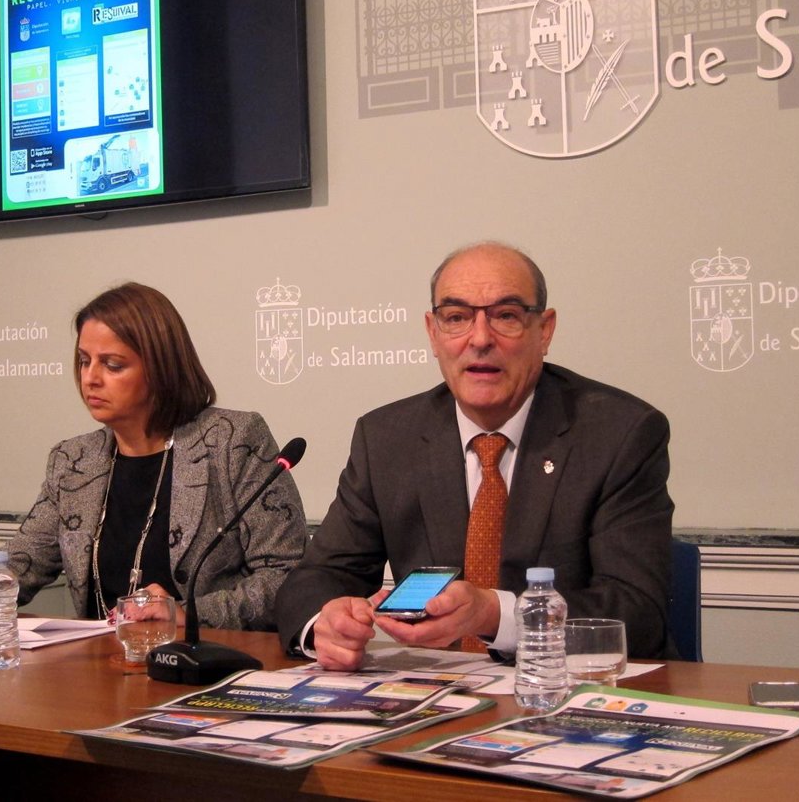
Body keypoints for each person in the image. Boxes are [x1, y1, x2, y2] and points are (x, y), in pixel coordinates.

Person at [274, 242, 676, 668]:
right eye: (456, 317)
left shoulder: (619, 433)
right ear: (433, 332)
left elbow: (638, 612)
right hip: (436, 690)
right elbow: (319, 577)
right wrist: (325, 624)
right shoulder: (387, 439)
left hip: (569, 687)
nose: (480, 339)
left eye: (506, 316)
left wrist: (494, 614)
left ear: (544, 331)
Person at [0, 283, 307, 630]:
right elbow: (20, 563)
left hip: (207, 666)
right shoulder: (75, 461)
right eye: (83, 361)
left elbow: (286, 578)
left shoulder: (231, 441)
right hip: (99, 672)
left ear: (162, 368)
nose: (90, 378)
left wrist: (187, 614)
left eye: (112, 364)